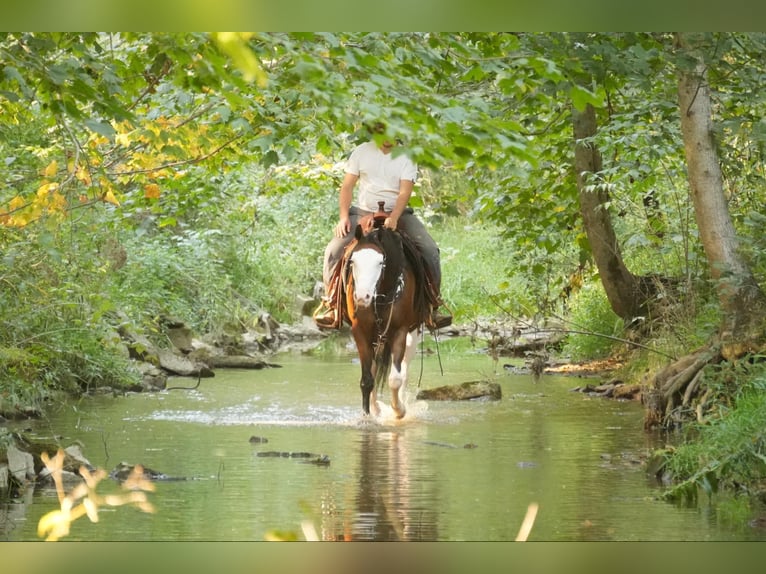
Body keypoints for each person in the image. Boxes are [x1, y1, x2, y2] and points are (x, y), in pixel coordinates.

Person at [314, 122, 452, 330]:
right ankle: (332, 304)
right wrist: (343, 217)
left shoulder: (406, 156)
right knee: (333, 250)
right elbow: (347, 187)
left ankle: (433, 306)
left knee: (429, 249)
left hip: (398, 212)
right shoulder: (361, 152)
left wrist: (395, 216)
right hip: (362, 211)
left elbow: (405, 192)